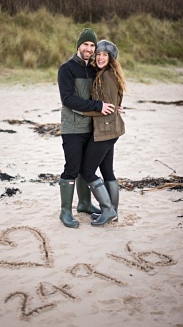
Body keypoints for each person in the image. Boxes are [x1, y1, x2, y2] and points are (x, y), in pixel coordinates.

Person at [55, 28, 116, 228]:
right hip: (72, 128)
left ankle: (85, 203)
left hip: (92, 127)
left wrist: (115, 104)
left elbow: (104, 92)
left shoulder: (93, 70)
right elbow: (68, 99)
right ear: (78, 46)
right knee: (71, 168)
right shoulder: (66, 69)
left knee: (85, 168)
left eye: (92, 45)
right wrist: (98, 106)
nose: (89, 49)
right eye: (86, 45)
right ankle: (65, 212)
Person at [77, 40, 126, 226]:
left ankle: (107, 209)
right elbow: (116, 102)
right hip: (112, 129)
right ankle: (113, 212)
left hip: (106, 130)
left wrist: (79, 109)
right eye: (98, 54)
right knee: (107, 171)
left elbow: (107, 107)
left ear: (111, 58)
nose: (100, 57)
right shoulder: (110, 74)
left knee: (87, 171)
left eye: (105, 55)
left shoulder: (106, 76)